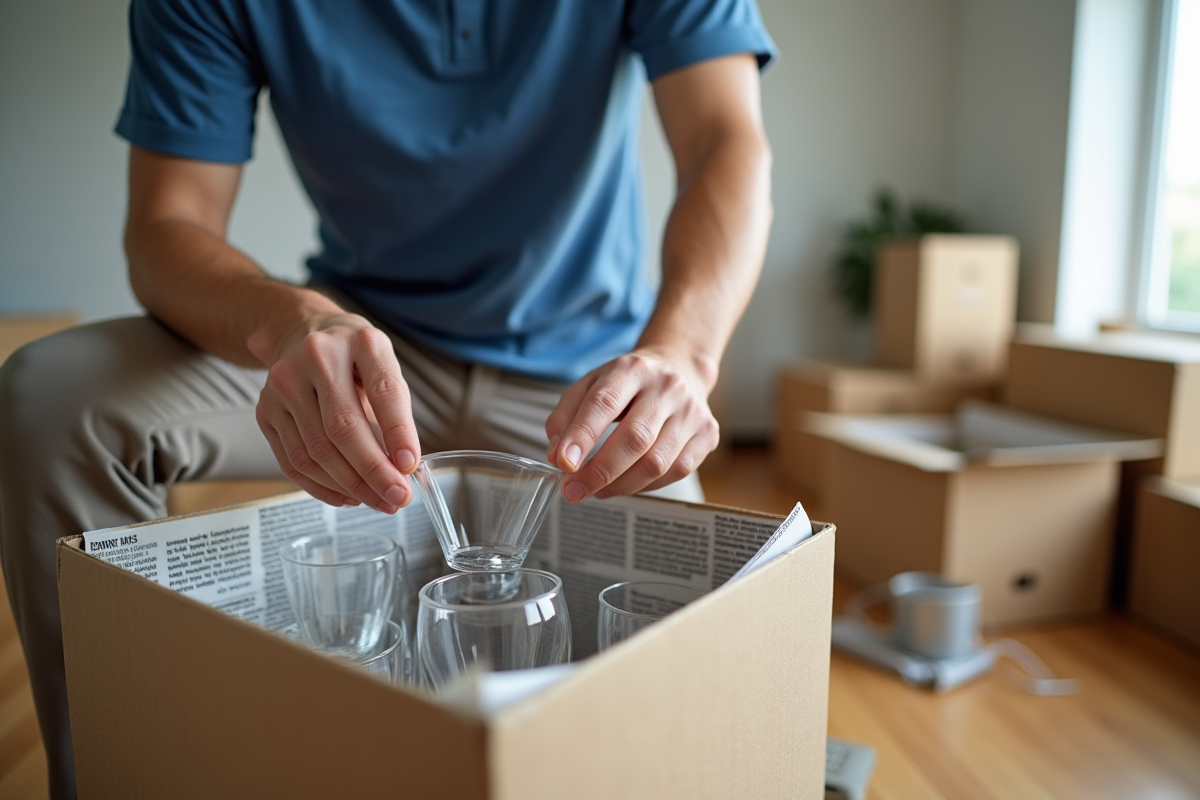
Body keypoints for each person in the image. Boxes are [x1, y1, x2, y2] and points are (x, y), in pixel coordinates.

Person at [0, 1, 776, 797]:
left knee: (695, 662)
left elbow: (725, 140)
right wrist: (292, 321)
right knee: (57, 397)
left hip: (584, 384)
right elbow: (168, 221)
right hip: (361, 357)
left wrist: (683, 354)